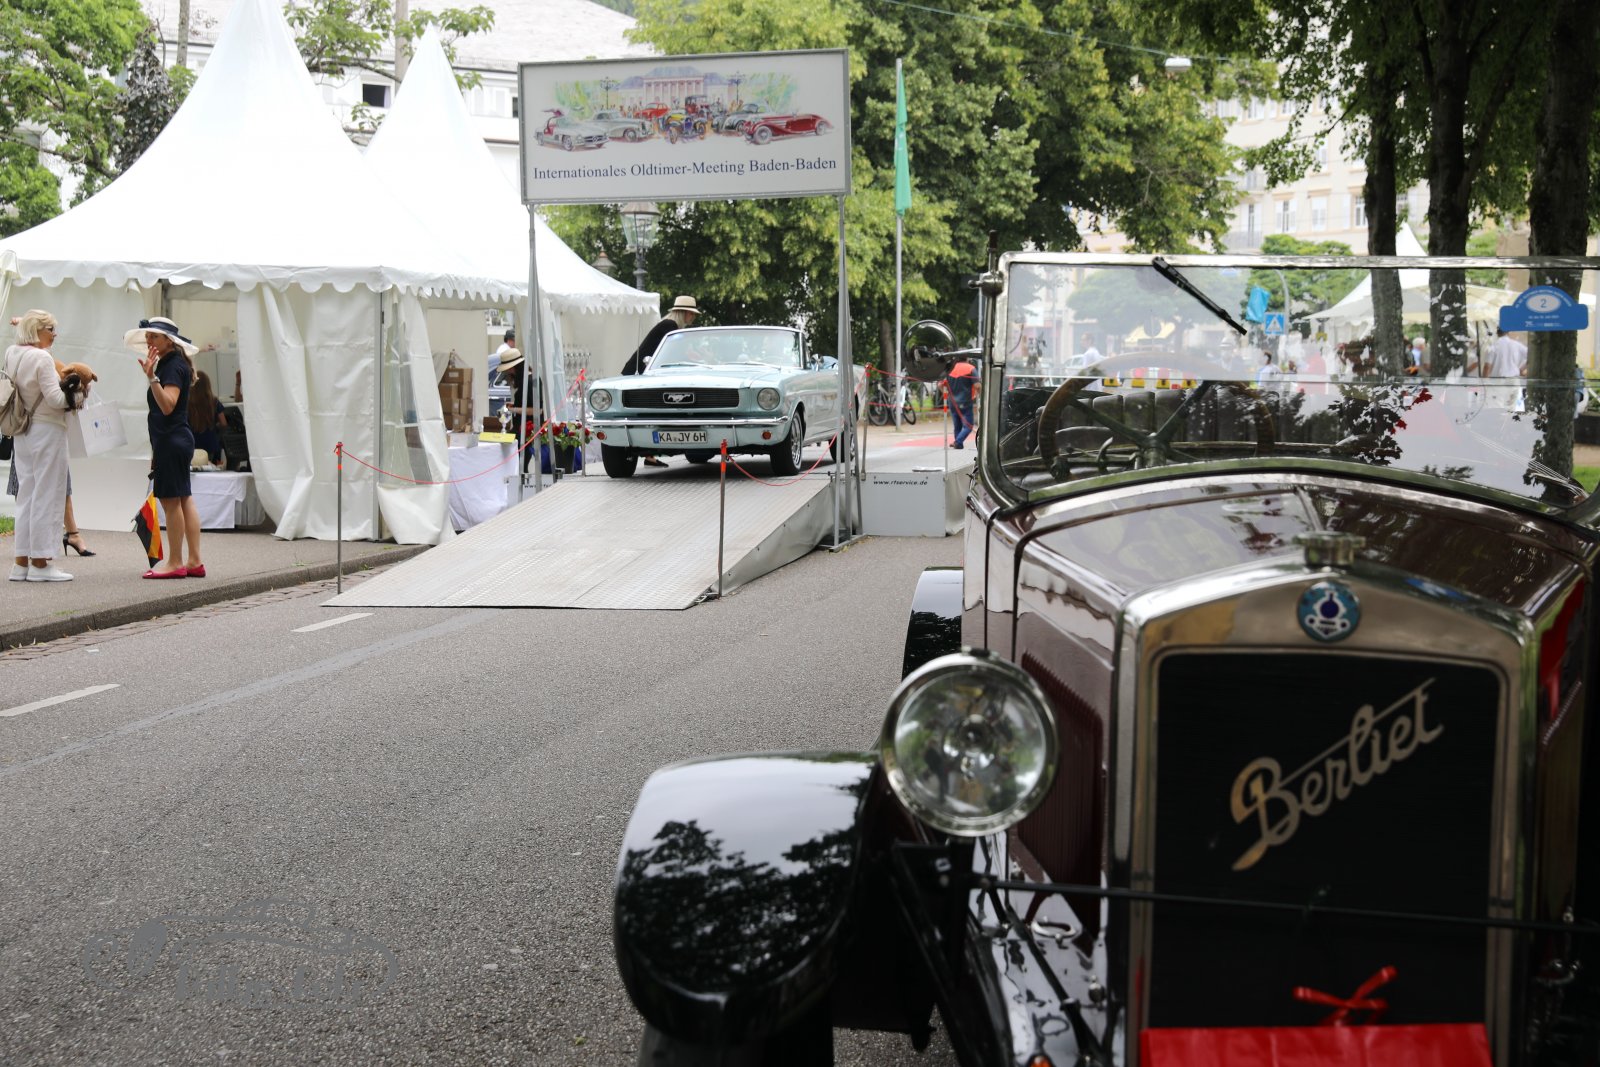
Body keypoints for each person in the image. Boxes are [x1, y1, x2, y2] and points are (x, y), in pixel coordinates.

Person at [7, 310, 81, 581]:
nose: (55, 334)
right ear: (37, 330)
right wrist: (79, 392)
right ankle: (40, 563)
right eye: (50, 328)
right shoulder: (42, 358)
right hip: (47, 429)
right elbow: (56, 400)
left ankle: (20, 562)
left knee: (26, 495)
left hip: (22, 428)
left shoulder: (12, 352)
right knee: (48, 494)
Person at [128, 316, 203, 579]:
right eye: (148, 336)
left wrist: (152, 378)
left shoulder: (171, 366)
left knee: (172, 502)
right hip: (175, 440)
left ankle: (176, 562)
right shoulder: (174, 363)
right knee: (183, 499)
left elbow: (168, 405)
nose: (149, 340)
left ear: (169, 341)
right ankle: (194, 561)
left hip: (172, 441)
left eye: (155, 336)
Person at [623, 296, 700, 465]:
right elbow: (677, 352)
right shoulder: (670, 327)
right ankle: (648, 453)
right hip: (641, 372)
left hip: (643, 371)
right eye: (691, 313)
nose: (693, 317)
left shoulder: (668, 325)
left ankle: (649, 454)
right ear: (684, 313)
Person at [189, 370, 229, 466]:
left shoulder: (187, 403)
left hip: (193, 447)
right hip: (211, 445)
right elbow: (224, 423)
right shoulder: (214, 401)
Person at [945, 355, 979, 450]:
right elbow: (977, 385)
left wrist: (946, 394)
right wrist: (980, 395)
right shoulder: (970, 368)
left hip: (952, 402)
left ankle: (958, 444)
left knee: (957, 425)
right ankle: (958, 441)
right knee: (968, 425)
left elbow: (940, 385)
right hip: (965, 401)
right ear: (967, 358)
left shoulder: (950, 369)